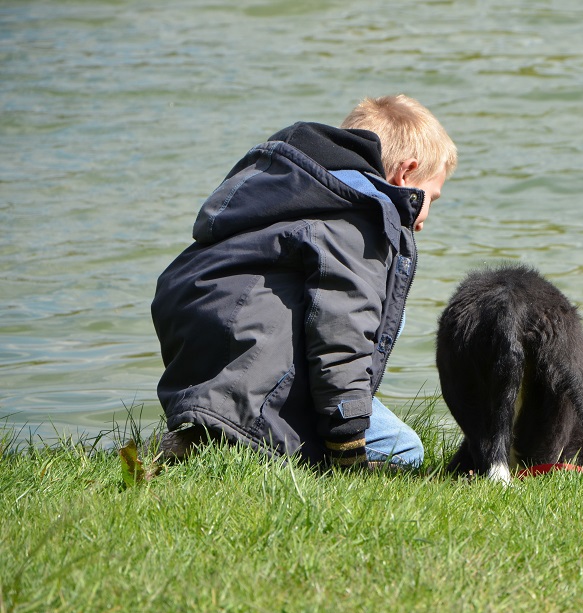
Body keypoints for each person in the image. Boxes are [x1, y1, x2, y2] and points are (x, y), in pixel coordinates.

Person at [150, 95, 457, 470]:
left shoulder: (282, 191)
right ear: (405, 175)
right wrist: (347, 439)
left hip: (210, 377)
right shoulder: (358, 219)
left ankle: (211, 431)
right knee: (406, 451)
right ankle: (248, 438)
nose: (423, 220)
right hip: (262, 386)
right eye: (432, 199)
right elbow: (342, 330)